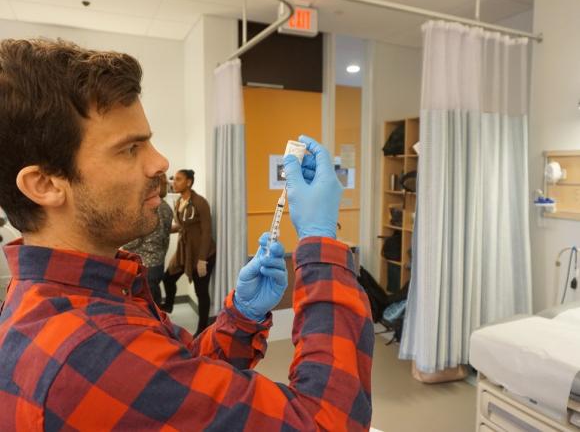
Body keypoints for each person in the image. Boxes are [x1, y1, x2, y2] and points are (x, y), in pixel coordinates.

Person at [0, 38, 373, 430]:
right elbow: (327, 423)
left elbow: (180, 377)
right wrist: (321, 242)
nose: (161, 162)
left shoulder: (82, 298)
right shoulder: (91, 352)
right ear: (44, 184)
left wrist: (242, 317)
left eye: (149, 142)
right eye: (130, 149)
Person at [161, 169, 215, 336]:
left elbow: (207, 232)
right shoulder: (179, 202)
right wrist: (164, 230)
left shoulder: (200, 202)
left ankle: (202, 328)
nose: (174, 182)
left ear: (189, 182)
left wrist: (202, 260)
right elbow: (184, 225)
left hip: (201, 252)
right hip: (184, 251)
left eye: (178, 179)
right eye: (174, 179)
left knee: (201, 291)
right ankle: (169, 303)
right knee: (168, 277)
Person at [123, 173, 173, 306]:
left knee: (148, 303)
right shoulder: (166, 207)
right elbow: (164, 234)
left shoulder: (147, 208)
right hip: (158, 261)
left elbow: (134, 241)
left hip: (146, 264)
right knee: (154, 299)